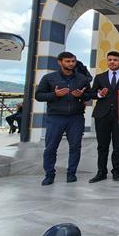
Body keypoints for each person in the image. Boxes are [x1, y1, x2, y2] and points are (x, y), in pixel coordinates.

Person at [34, 52, 91, 185]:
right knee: (50, 147)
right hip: (55, 117)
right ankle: (49, 175)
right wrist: (55, 94)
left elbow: (89, 95)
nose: (71, 64)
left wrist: (81, 95)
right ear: (60, 62)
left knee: (75, 147)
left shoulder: (82, 79)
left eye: (73, 61)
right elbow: (39, 95)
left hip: (76, 117)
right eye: (67, 61)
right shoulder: (49, 78)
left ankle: (71, 174)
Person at [88, 51, 119, 183]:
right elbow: (91, 94)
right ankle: (101, 172)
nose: (112, 62)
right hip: (102, 115)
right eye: (109, 60)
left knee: (118, 144)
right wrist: (100, 94)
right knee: (102, 145)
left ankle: (116, 171)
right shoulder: (99, 77)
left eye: (115, 60)